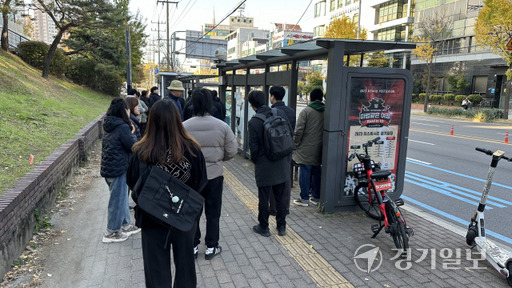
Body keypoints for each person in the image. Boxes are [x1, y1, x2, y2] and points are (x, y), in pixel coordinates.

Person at [127, 99, 207, 287]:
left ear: (152, 121)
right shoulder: (192, 148)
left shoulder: (141, 150)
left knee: (155, 270)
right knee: (186, 267)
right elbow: (201, 182)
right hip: (183, 217)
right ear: (178, 120)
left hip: (151, 218)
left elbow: (132, 182)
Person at [183, 88, 238, 260]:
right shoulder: (222, 126)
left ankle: (192, 245)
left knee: (193, 212)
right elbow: (232, 150)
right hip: (214, 176)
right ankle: (211, 246)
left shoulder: (184, 127)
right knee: (213, 213)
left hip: (191, 177)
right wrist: (218, 159)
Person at [247, 90, 292, 237]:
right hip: (282, 163)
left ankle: (264, 227)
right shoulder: (279, 113)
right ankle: (281, 227)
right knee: (281, 197)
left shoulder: (254, 122)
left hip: (265, 165)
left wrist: (259, 161)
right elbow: (289, 134)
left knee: (264, 198)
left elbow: (253, 149)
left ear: (252, 105)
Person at [100, 98, 140, 243]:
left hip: (110, 167)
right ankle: (111, 232)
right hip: (118, 168)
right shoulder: (123, 127)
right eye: (127, 109)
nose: (129, 111)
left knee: (121, 197)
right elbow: (133, 146)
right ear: (123, 111)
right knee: (117, 200)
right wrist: (133, 133)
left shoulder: (110, 124)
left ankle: (125, 225)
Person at [293, 88, 325, 207]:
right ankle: (316, 197)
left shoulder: (306, 111)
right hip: (321, 148)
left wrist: (295, 143)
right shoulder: (326, 111)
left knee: (305, 172)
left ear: (310, 98)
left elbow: (299, 131)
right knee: (317, 171)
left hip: (306, 148)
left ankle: (304, 198)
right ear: (321, 98)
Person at [268, 85, 296, 216]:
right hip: (287, 149)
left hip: (274, 150)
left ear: (272, 96)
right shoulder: (290, 111)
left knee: (274, 179)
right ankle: (285, 208)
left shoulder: (271, 111)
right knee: (286, 180)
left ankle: (274, 208)